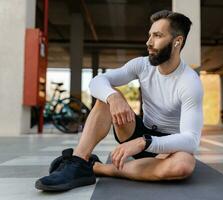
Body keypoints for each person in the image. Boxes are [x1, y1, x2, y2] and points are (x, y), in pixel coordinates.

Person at [35, 9, 203, 191]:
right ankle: (78, 161)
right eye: (149, 36)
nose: (149, 43)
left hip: (168, 145)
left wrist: (144, 142)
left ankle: (97, 168)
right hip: (135, 132)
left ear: (177, 41)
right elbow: (97, 81)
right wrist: (113, 97)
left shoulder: (190, 82)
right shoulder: (142, 65)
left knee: (183, 165)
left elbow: (190, 140)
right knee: (106, 96)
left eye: (157, 36)